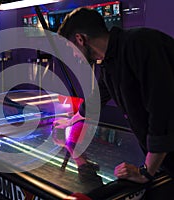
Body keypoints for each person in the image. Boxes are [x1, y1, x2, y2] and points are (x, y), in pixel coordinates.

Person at [56, 7, 174, 185]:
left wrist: (146, 171)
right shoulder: (110, 62)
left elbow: (162, 111)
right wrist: (73, 120)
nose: (73, 55)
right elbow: (97, 99)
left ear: (80, 39)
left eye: (70, 48)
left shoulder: (141, 44)